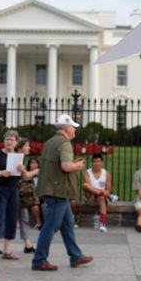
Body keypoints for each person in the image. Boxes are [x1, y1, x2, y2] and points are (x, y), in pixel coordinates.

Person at [31, 114, 93, 271]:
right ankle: (39, 260)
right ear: (67, 128)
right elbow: (66, 166)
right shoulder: (65, 144)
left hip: (53, 190)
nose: (75, 131)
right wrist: (77, 166)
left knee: (67, 225)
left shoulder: (49, 142)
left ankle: (76, 256)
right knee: (50, 226)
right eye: (73, 128)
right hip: (58, 192)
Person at [0, 129, 23, 260]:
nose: (9, 142)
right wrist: (1, 172)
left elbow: (22, 175)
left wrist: (22, 170)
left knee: (12, 219)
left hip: (14, 189)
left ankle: (7, 250)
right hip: (1, 189)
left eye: (12, 140)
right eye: (7, 139)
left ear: (16, 142)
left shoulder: (18, 156)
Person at [15, 137, 38, 253]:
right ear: (20, 147)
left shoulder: (20, 158)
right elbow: (26, 176)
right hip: (14, 193)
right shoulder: (17, 158)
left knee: (24, 217)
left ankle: (27, 243)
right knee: (4, 219)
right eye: (27, 146)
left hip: (20, 194)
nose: (29, 148)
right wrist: (37, 171)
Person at [83, 153, 115, 232]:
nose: (97, 163)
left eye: (98, 161)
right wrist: (101, 192)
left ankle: (103, 223)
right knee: (85, 185)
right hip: (90, 197)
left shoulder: (107, 174)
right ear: (92, 163)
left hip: (101, 198)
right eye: (95, 161)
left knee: (101, 197)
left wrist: (102, 193)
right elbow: (89, 188)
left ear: (102, 162)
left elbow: (109, 190)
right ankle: (108, 196)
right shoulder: (87, 173)